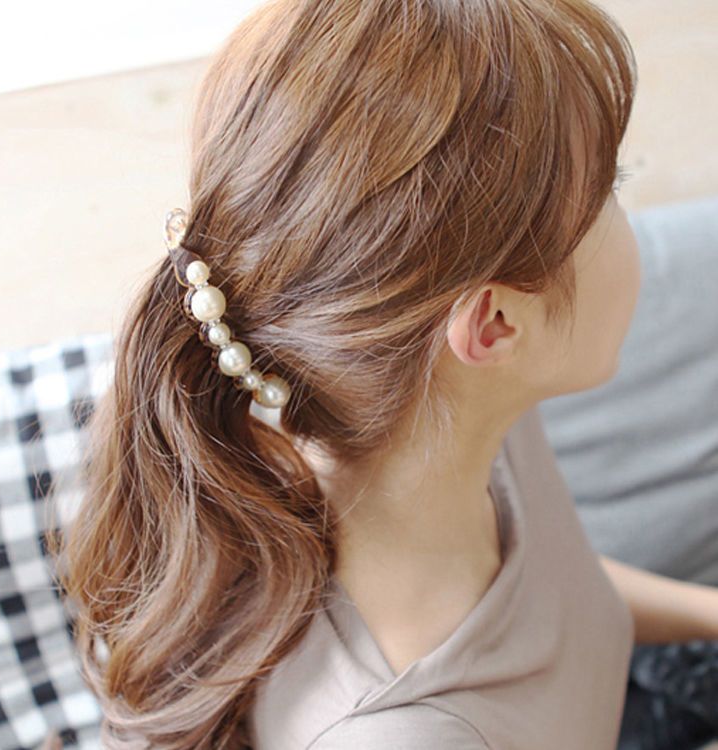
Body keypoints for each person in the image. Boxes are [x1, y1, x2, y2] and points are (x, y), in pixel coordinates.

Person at [45, 1, 715, 748]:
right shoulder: (407, 732)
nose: (628, 215)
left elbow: (558, 595)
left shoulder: (450, 409)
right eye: (612, 185)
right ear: (492, 326)